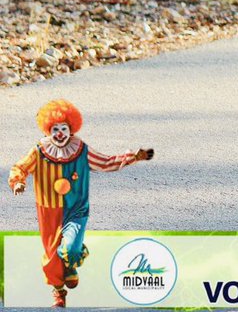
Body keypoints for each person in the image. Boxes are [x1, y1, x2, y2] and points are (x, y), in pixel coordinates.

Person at [9, 99, 154, 307]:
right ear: (48, 130)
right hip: (48, 210)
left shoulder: (81, 150)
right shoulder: (39, 151)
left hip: (76, 209)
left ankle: (71, 263)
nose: (60, 133)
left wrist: (134, 157)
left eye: (64, 128)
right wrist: (17, 183)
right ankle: (58, 291)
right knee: (51, 256)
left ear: (71, 129)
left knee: (71, 249)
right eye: (55, 129)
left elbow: (105, 162)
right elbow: (20, 167)